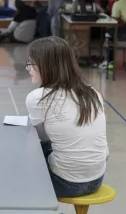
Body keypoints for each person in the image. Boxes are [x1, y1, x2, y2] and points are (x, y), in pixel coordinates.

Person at [25, 36, 108, 198]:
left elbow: (40, 138)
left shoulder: (38, 97)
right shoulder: (92, 92)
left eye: (32, 63)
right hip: (96, 179)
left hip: (66, 184)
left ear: (47, 66)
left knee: (25, 151)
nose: (28, 68)